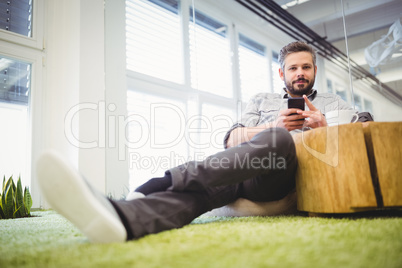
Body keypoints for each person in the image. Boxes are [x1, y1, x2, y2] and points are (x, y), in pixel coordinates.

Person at [36, 41, 353, 243]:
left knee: (282, 140)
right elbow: (232, 139)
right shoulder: (262, 99)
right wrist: (272, 124)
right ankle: (124, 218)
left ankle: (162, 180)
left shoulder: (332, 103)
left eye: (306, 67)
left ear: (314, 70)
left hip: (279, 180)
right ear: (281, 72)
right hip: (238, 169)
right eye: (293, 68)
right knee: (203, 193)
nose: (300, 73)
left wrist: (323, 127)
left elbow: (354, 144)